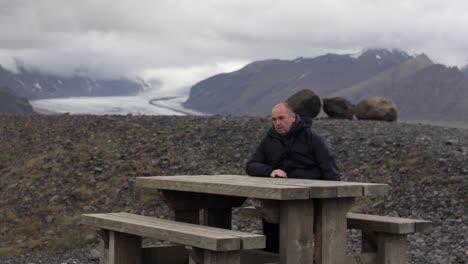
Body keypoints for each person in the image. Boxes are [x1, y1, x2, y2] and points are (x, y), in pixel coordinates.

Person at [245, 102, 340, 252]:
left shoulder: (311, 138)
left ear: (293, 117)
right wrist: (271, 171)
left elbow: (331, 171)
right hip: (278, 200)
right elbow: (251, 165)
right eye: (274, 119)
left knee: (296, 239)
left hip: (309, 201)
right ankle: (273, 256)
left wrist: (329, 204)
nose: (278, 123)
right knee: (270, 212)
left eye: (281, 118)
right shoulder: (270, 139)